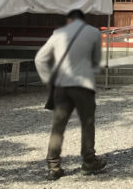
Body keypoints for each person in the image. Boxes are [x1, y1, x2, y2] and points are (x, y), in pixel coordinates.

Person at [35, 9, 107, 180]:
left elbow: (39, 59)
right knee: (87, 123)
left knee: (58, 126)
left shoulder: (58, 33)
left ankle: (53, 165)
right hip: (83, 85)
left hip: (61, 85)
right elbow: (96, 60)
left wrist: (48, 80)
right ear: (84, 20)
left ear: (69, 20)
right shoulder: (93, 32)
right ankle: (89, 161)